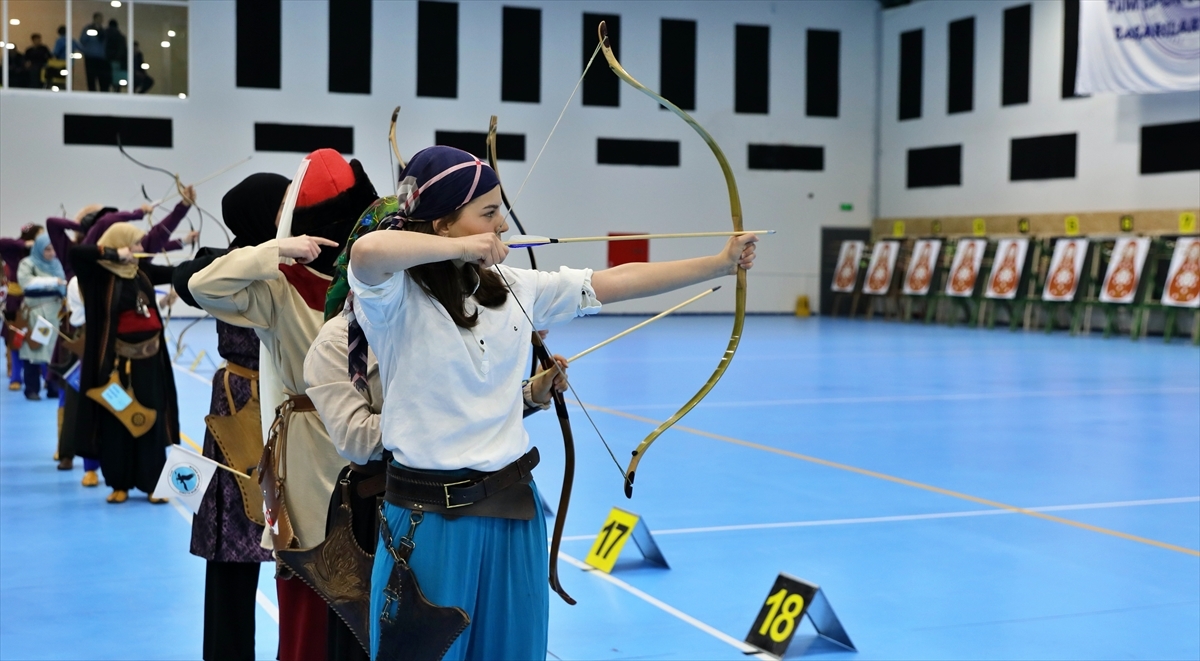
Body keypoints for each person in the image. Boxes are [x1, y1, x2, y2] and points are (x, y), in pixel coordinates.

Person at [347, 145, 758, 659]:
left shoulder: (514, 286)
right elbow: (366, 254)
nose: (503, 226)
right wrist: (460, 249)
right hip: (430, 520)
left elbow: (610, 283)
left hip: (513, 511)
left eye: (503, 211)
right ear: (444, 225)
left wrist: (718, 264)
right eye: (489, 213)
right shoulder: (394, 296)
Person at [303, 197, 569, 661]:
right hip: (382, 504)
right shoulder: (335, 341)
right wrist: (438, 410)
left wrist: (526, 394)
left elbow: (471, 407)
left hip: (455, 502)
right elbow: (357, 439)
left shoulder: (446, 315)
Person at [189, 149, 378, 660]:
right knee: (281, 564)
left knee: (367, 583)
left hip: (365, 442)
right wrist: (274, 249)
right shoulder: (270, 279)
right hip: (278, 430)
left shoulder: (369, 279)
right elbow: (199, 281)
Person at [171, 173, 289, 660]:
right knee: (231, 553)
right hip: (240, 411)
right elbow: (185, 277)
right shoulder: (227, 268)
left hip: (288, 409)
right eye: (283, 203)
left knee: (299, 552)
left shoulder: (296, 257)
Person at [69, 224, 179, 504]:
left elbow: (180, 271)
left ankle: (153, 484)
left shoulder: (142, 273)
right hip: (116, 364)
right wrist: (114, 254)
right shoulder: (98, 276)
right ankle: (120, 484)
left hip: (150, 363)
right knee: (117, 420)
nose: (141, 250)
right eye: (135, 244)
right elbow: (77, 253)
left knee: (151, 420)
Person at [46, 191, 197, 281]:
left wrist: (182, 240)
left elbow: (151, 243)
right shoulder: (74, 253)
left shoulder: (126, 258)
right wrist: (136, 214)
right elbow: (52, 223)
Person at [15, 233, 65, 400]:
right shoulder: (27, 263)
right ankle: (31, 389)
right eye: (47, 249)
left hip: (55, 314)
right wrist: (53, 282)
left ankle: (53, 387)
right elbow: (26, 283)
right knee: (34, 350)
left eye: (53, 249)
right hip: (37, 314)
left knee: (54, 353)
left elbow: (64, 284)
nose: (52, 253)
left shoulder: (57, 264)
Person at [1, 224, 41, 391]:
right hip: (15, 301)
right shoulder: (14, 251)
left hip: (36, 300)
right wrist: (23, 244)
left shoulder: (40, 254)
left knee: (39, 338)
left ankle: (44, 376)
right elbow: (2, 242)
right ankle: (16, 377)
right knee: (15, 340)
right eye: (38, 236)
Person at [79, 12, 110, 91]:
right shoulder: (88, 29)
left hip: (101, 58)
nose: (100, 20)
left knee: (101, 79)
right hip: (90, 57)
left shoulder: (103, 31)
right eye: (99, 18)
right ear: (95, 19)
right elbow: (83, 40)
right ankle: (92, 93)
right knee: (91, 78)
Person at [105, 19, 127, 90]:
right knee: (116, 80)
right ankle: (116, 92)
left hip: (106, 60)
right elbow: (123, 50)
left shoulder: (105, 34)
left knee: (107, 80)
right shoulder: (120, 36)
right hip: (117, 60)